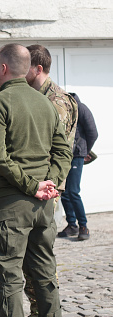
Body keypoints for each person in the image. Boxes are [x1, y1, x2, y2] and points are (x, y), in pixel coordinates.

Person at [0, 44, 72, 317]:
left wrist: (33, 185)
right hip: (44, 204)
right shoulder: (45, 102)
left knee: (9, 279)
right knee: (44, 271)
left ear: (3, 69)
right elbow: (64, 149)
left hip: (10, 205)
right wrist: (52, 182)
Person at [22, 44, 78, 317]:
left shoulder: (56, 101)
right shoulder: (32, 96)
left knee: (40, 259)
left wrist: (49, 186)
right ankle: (38, 315)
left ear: (38, 69)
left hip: (44, 190)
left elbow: (57, 150)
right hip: (30, 188)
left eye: (25, 67)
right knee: (30, 258)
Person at [58, 93, 98, 241]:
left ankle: (83, 226)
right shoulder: (62, 109)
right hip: (63, 156)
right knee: (64, 192)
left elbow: (93, 132)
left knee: (73, 191)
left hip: (77, 155)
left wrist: (85, 151)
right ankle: (72, 225)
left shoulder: (80, 107)